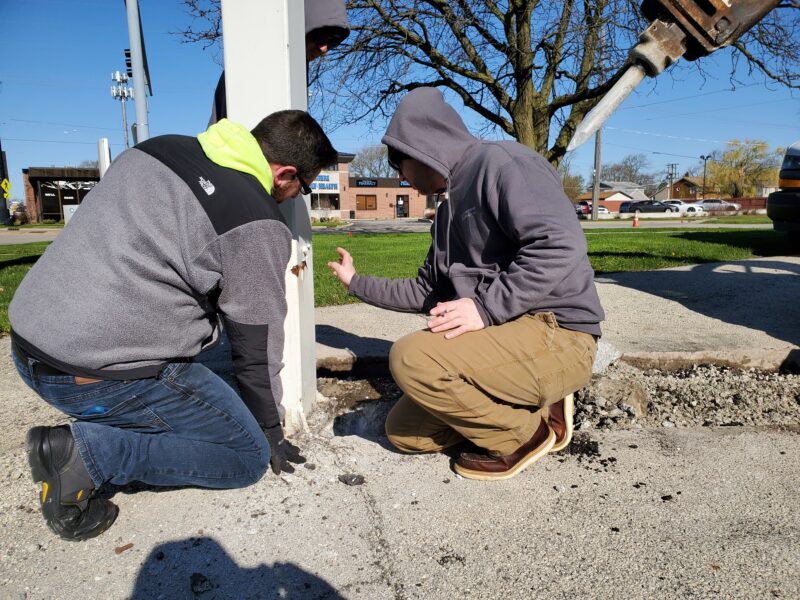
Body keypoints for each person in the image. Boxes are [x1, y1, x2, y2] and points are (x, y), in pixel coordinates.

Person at [10, 110, 338, 540]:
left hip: (28, 347)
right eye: (304, 188)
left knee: (211, 363)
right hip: (92, 376)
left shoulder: (158, 149)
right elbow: (256, 351)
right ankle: (87, 456)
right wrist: (270, 431)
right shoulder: (255, 222)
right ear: (285, 174)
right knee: (244, 455)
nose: (298, 198)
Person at [328, 88, 604, 481]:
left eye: (398, 163)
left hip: (559, 332)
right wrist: (356, 282)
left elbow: (559, 244)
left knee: (412, 357)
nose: (400, 177)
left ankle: (526, 434)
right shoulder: (445, 215)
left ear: (421, 148)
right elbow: (425, 292)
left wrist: (484, 308)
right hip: (506, 336)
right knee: (407, 433)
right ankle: (533, 402)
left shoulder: (504, 163)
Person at [209, 0, 350, 124]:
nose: (324, 49)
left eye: (334, 41)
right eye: (321, 36)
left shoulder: (297, 68)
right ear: (299, 23)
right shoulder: (254, 62)